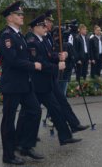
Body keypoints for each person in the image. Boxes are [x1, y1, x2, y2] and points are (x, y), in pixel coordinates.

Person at [0, 1, 43, 165]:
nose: (22, 16)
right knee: (8, 120)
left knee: (35, 111)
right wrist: (33, 65)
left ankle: (25, 145)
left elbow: (27, 56)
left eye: (22, 14)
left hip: (24, 84)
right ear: (10, 17)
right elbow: (13, 60)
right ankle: (8, 155)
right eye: (19, 14)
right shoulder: (6, 36)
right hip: (12, 85)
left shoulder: (19, 35)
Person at [26, 15, 81, 145]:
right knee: (29, 113)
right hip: (38, 82)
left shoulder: (43, 39)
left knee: (55, 109)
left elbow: (49, 55)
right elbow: (39, 62)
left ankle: (65, 136)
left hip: (46, 81)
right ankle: (24, 140)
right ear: (36, 28)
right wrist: (57, 67)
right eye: (43, 26)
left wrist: (59, 56)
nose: (46, 28)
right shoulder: (32, 41)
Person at [43, 12, 89, 133]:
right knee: (57, 99)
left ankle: (71, 126)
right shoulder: (50, 40)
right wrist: (60, 55)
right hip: (54, 73)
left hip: (65, 71)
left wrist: (68, 54)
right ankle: (51, 118)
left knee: (61, 99)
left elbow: (74, 55)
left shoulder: (68, 43)